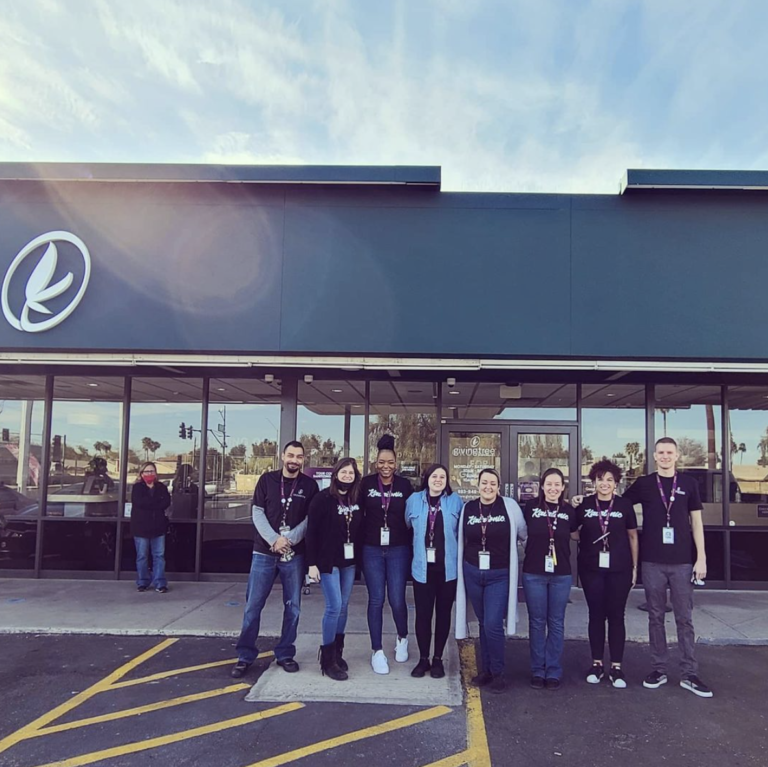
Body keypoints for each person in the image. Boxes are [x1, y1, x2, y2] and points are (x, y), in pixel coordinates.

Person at [622, 437, 713, 697]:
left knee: (685, 618)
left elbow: (697, 523)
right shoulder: (644, 484)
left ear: (677, 455)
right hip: (652, 561)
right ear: (654, 456)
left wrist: (701, 558)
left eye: (669, 452)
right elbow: (618, 504)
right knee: (655, 617)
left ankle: (689, 674)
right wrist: (584, 500)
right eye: (660, 452)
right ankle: (658, 669)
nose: (665, 456)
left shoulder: (688, 484)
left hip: (683, 562)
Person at [231, 441, 318, 679]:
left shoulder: (309, 486)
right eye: (291, 455)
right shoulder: (267, 480)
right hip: (264, 552)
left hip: (293, 555)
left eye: (299, 456)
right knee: (253, 606)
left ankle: (285, 653)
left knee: (293, 607)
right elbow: (257, 513)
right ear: (282, 456)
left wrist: (288, 540)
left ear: (303, 459)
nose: (294, 460)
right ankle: (245, 656)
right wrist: (274, 540)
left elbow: (310, 519)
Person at [456, 468, 527, 694]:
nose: (488, 487)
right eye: (484, 482)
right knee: (483, 621)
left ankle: (498, 672)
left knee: (493, 623)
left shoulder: (509, 506)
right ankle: (485, 670)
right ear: (478, 485)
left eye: (493, 483)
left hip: (499, 574)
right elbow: (461, 537)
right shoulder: (468, 508)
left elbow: (523, 534)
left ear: (499, 486)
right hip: (473, 572)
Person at [572, 460, 639, 688]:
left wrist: (634, 568)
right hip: (591, 569)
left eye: (609, 480)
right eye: (600, 479)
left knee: (617, 616)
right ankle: (597, 664)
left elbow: (632, 536)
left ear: (616, 483)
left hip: (620, 569)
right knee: (596, 615)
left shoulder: (624, 505)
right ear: (594, 481)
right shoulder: (584, 504)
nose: (604, 484)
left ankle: (617, 667)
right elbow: (573, 532)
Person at [360, 434, 414, 674]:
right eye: (382, 462)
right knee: (376, 599)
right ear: (376, 463)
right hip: (371, 548)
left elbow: (413, 515)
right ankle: (377, 650)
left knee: (397, 599)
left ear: (396, 463)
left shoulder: (404, 486)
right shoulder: (366, 484)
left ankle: (402, 637)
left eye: (390, 462)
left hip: (398, 549)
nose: (386, 466)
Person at [306, 457, 363, 680]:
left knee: (344, 606)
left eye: (351, 473)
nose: (347, 476)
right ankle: (327, 660)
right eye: (344, 472)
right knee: (334, 606)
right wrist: (311, 564)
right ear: (336, 473)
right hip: (327, 561)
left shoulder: (356, 498)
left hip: (349, 562)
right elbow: (311, 533)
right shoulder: (322, 499)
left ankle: (338, 653)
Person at [405, 463, 463, 679]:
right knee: (423, 614)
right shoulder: (413, 500)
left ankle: (438, 658)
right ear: (426, 478)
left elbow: (461, 532)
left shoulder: (455, 501)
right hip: (422, 570)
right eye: (434, 476)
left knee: (443, 614)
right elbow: (407, 526)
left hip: (447, 570)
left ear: (447, 480)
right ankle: (423, 659)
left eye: (442, 477)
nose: (438, 480)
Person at [522, 467, 576, 690]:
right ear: (542, 487)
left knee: (556, 622)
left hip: (561, 574)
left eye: (557, 484)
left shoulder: (570, 510)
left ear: (563, 488)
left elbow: (577, 533)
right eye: (549, 484)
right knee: (536, 622)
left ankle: (553, 669)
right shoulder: (530, 507)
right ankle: (537, 669)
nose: (553, 488)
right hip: (533, 573)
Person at [130, 462, 171, 593]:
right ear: (141, 473)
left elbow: (166, 502)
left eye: (152, 471)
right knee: (142, 556)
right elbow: (140, 502)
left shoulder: (161, 487)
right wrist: (156, 503)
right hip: (141, 527)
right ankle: (143, 582)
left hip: (158, 527)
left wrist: (153, 504)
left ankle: (160, 582)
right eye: (147, 471)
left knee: (159, 556)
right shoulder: (137, 488)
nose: (150, 474)